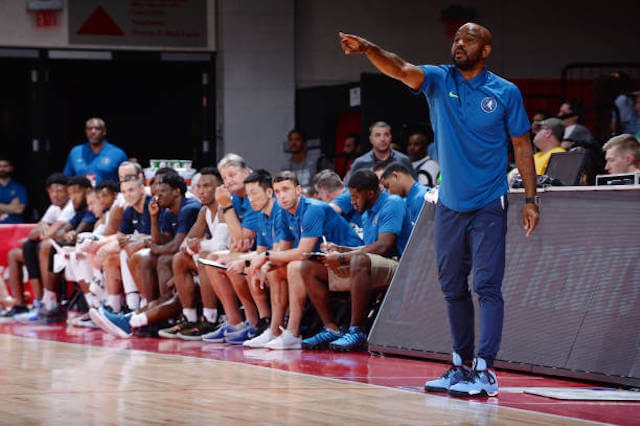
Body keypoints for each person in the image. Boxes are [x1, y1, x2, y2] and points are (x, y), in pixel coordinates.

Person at [339, 22, 539, 397]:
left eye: (469, 39)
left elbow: (522, 145)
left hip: (489, 202)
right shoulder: (438, 79)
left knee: (486, 284)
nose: (459, 43)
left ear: (485, 50)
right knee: (451, 286)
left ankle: (486, 370)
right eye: (457, 38)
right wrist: (369, 49)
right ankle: (460, 365)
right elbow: (400, 68)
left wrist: (530, 199)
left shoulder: (505, 92)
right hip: (449, 204)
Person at [247, 171, 363, 350]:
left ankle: (293, 333)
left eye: (286, 189)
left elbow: (302, 252)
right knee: (274, 270)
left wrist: (266, 256)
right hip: (322, 263)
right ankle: (274, 331)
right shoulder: (284, 212)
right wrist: (265, 266)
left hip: (348, 262)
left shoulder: (313, 209)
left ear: (298, 190)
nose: (282, 196)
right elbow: (283, 250)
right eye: (277, 191)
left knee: (295, 266)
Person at [300, 170, 412, 352]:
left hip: (400, 265)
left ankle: (357, 331)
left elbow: (384, 246)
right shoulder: (366, 214)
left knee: (359, 261)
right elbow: (369, 248)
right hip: (374, 262)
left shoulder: (392, 202)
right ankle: (331, 329)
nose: (352, 202)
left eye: (355, 196)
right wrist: (340, 249)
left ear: (370, 193)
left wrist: (343, 257)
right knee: (308, 267)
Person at [0, 173, 68, 322]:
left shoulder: (70, 208)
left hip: (63, 251)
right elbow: (33, 233)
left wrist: (45, 232)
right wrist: (43, 231)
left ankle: (47, 302)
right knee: (18, 252)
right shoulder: (53, 208)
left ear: (68, 191)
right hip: (48, 249)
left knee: (41, 246)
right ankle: (21, 305)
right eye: (52, 191)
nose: (55, 195)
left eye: (59, 191)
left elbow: (50, 234)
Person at [63, 117, 128, 185]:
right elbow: (66, 179)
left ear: (104, 131)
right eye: (89, 129)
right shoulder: (75, 152)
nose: (93, 131)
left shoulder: (118, 154)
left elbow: (126, 182)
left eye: (97, 128)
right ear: (86, 131)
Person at [345, 122, 416, 182]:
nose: (382, 139)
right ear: (371, 139)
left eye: (386, 135)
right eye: (377, 135)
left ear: (391, 138)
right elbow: (346, 189)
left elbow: (415, 189)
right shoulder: (360, 163)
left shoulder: (403, 160)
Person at [0, 156, 27, 224]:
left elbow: (19, 209)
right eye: (0, 166)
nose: (2, 169)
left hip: (15, 226)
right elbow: (15, 208)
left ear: (11, 168)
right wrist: (11, 207)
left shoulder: (19, 188)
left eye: (5, 166)